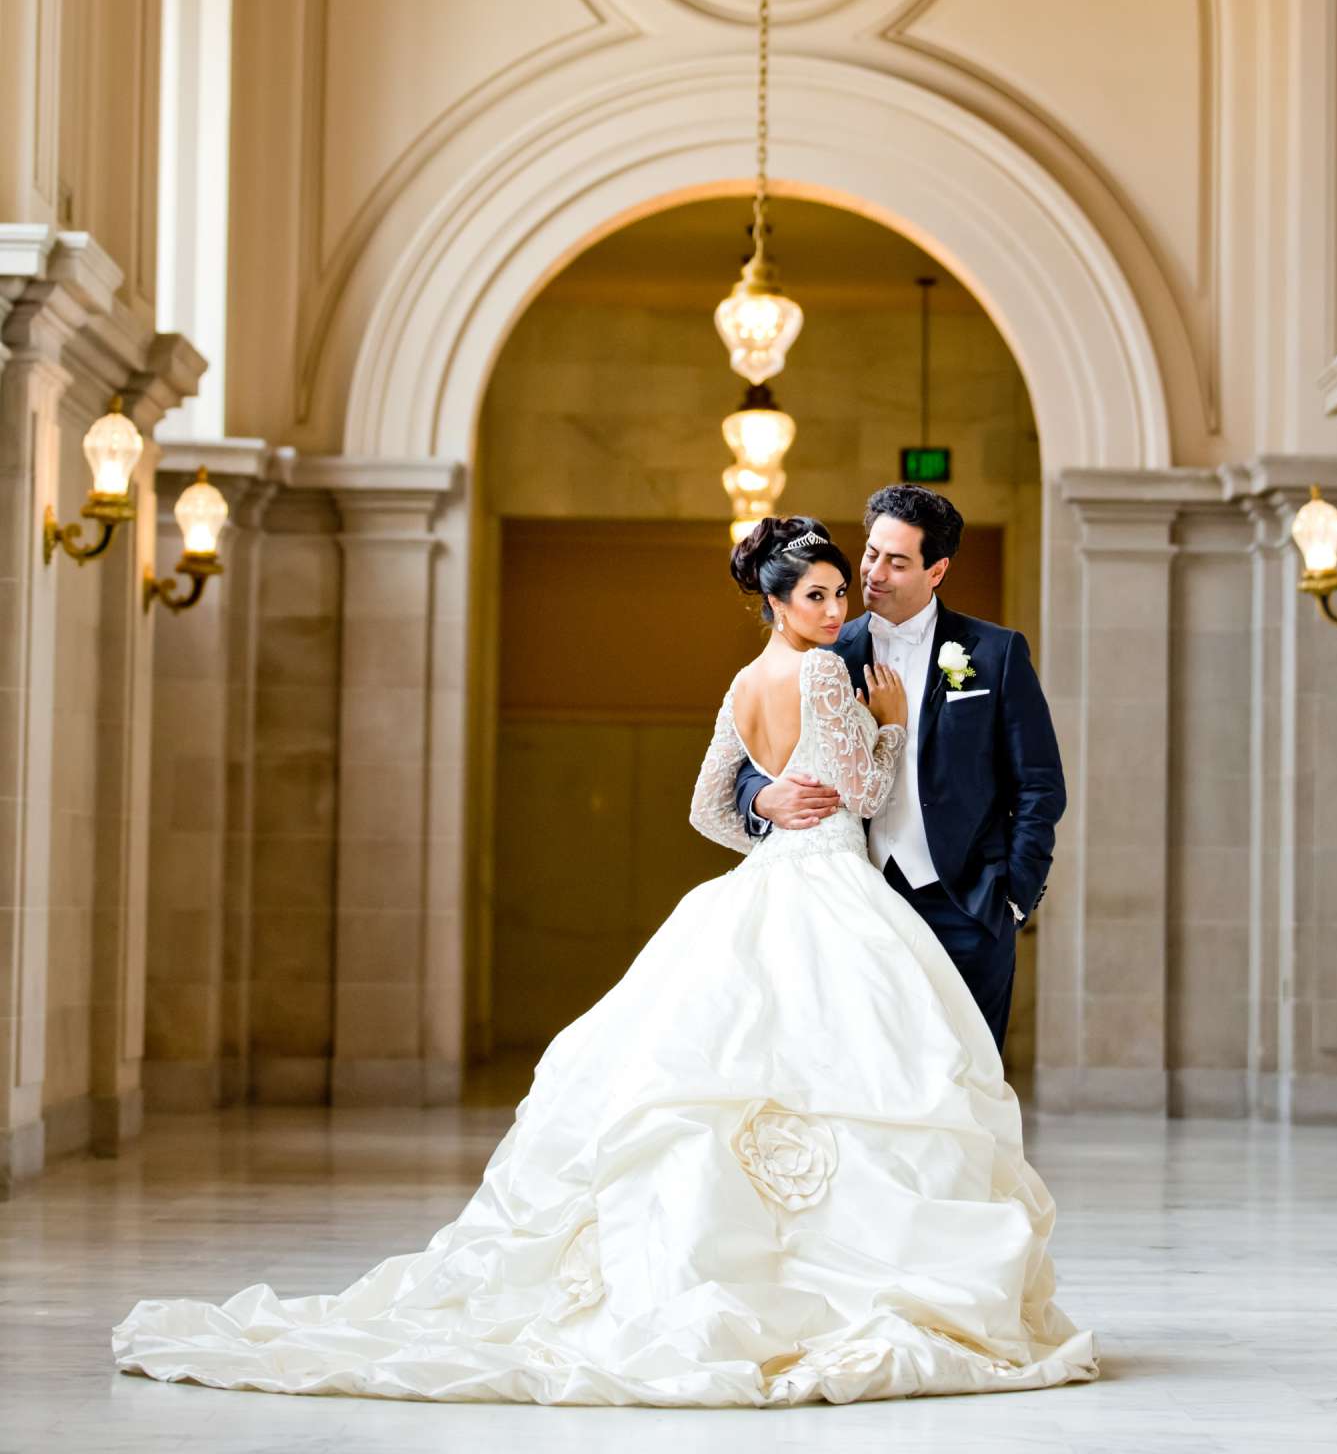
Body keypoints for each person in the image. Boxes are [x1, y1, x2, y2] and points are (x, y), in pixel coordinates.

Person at [111, 515, 1095, 1407]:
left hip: (839, 891)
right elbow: (860, 789)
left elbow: (713, 803)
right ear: (779, 600)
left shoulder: (768, 677)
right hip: (835, 889)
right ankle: (824, 1282)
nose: (843, 602)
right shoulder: (829, 670)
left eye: (852, 585)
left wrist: (768, 808)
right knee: (854, 1077)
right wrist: (876, 733)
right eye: (825, 591)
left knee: (764, 1079)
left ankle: (773, 1271)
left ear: (930, 568)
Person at [732, 485, 1065, 1054]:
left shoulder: (994, 652)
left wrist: (1013, 892)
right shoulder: (825, 652)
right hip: (856, 906)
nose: (873, 573)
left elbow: (1038, 783)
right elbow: (748, 767)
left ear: (936, 571)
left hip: (969, 903)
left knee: (970, 1077)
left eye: (897, 560)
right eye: (870, 553)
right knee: (869, 1084)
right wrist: (763, 800)